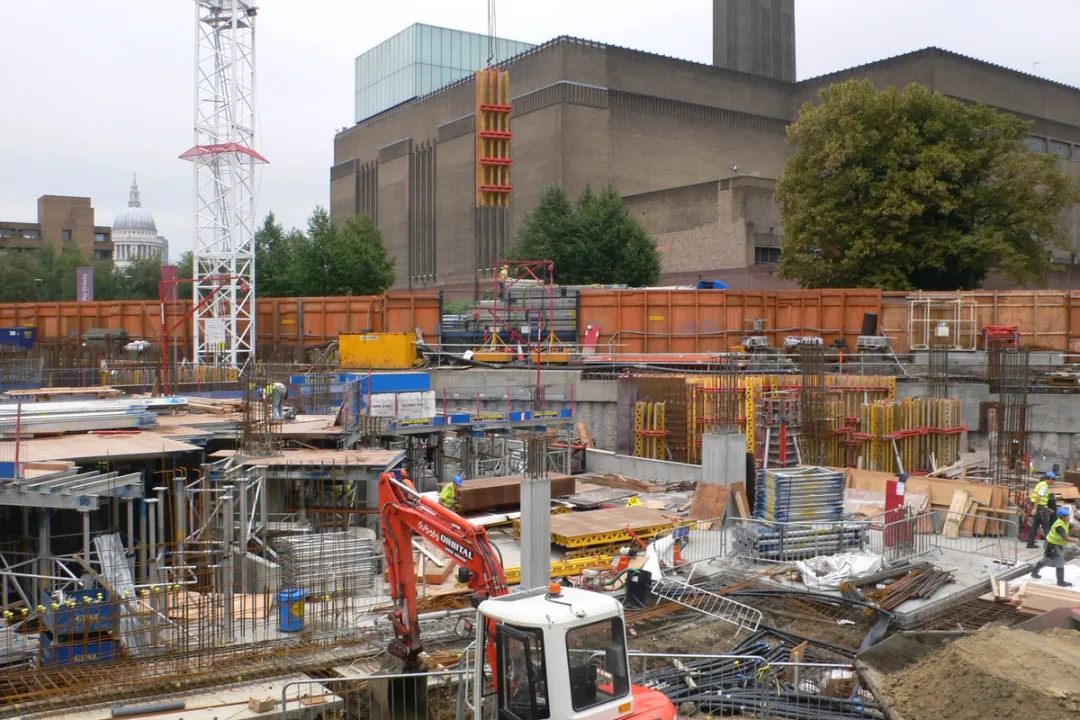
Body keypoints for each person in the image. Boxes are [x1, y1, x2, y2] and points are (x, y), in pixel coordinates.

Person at [1030, 507, 1076, 587]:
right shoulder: (1059, 525)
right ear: (1063, 517)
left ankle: (1034, 572)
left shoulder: (1066, 522)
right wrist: (1077, 541)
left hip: (1055, 545)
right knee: (1060, 561)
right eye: (1067, 516)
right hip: (1052, 545)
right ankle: (1060, 581)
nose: (1069, 517)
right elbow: (1066, 538)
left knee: (1047, 560)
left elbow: (1075, 529)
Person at [1026, 472, 1055, 548]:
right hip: (1040, 508)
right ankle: (1049, 545)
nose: (1053, 482)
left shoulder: (1040, 484)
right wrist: (1035, 509)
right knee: (1046, 526)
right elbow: (1038, 497)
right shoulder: (1044, 486)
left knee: (1035, 525)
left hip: (1039, 507)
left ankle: (1030, 543)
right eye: (1053, 480)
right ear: (1049, 478)